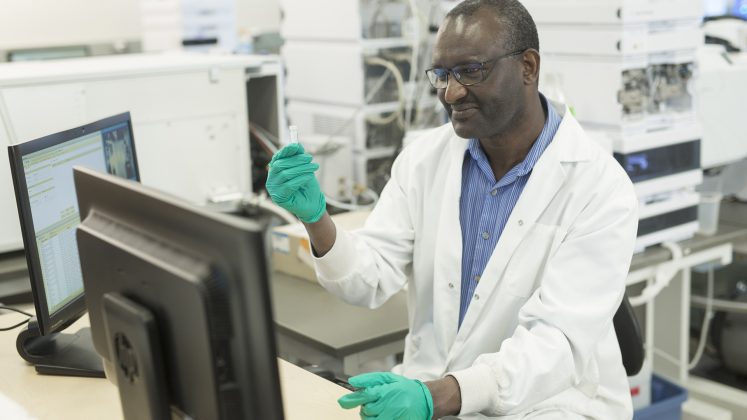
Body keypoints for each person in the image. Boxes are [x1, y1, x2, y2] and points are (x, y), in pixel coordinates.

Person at [265, 0, 639, 418]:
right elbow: (369, 279)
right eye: (442, 74)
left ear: (528, 67)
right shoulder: (423, 161)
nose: (451, 92)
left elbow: (556, 344)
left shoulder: (600, 189)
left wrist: (438, 396)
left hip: (551, 405)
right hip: (438, 389)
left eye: (471, 71)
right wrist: (316, 219)